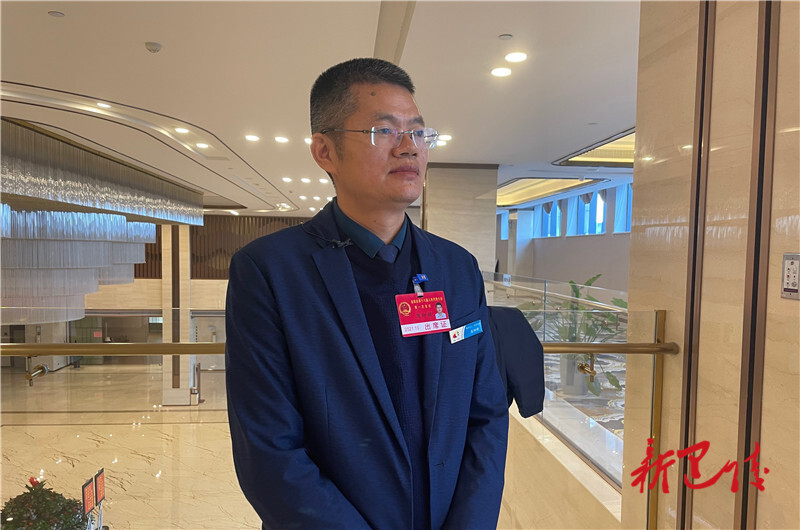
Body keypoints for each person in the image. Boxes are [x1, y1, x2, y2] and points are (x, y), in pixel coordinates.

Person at [226, 58, 508, 529]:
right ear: (325, 151)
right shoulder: (270, 271)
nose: (409, 147)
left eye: (418, 132)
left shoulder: (456, 267)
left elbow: (486, 415)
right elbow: (269, 451)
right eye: (384, 131)